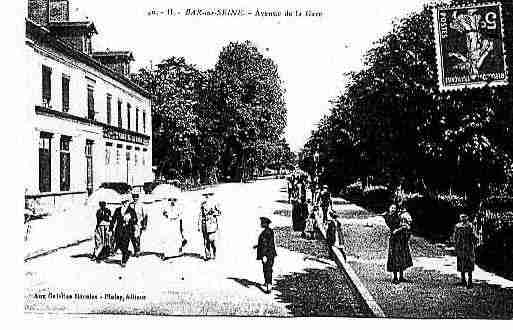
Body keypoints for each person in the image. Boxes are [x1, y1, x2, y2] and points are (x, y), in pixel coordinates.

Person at [384, 204, 413, 283]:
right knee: (394, 256)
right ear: (389, 208)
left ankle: (401, 276)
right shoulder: (388, 217)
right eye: (392, 208)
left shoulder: (397, 216)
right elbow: (393, 229)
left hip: (401, 239)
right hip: (394, 239)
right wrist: (402, 227)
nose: (393, 209)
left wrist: (403, 227)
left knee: (402, 256)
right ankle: (395, 277)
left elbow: (404, 224)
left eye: (394, 208)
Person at [111, 196, 138, 267]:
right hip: (119, 230)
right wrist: (111, 228)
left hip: (127, 230)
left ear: (128, 203)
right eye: (123, 202)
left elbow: (135, 220)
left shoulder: (131, 210)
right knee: (118, 243)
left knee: (125, 244)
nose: (125, 203)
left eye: (126, 202)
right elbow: (113, 219)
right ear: (122, 203)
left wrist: (130, 220)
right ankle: (126, 253)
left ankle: (124, 260)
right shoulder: (117, 210)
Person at [454, 213, 478, 288]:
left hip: (467, 247)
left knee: (467, 262)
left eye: (464, 217)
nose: (463, 218)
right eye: (462, 217)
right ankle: (464, 280)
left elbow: (474, 236)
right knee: (463, 262)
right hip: (463, 247)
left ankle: (469, 280)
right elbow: (455, 236)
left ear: (467, 217)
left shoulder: (469, 226)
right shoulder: (459, 226)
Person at [254, 216, 277, 294]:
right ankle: (267, 282)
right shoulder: (270, 231)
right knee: (267, 269)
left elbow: (265, 245)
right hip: (271, 253)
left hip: (267, 254)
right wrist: (257, 246)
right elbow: (267, 243)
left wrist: (264, 255)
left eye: (262, 223)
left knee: (267, 269)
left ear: (265, 224)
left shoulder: (265, 233)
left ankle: (268, 286)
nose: (261, 224)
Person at [198, 189, 221, 261]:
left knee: (211, 239)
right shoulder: (203, 204)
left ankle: (214, 252)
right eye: (206, 195)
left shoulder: (215, 204)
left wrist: (213, 213)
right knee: (206, 240)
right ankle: (207, 255)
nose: (207, 196)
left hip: (212, 224)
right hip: (204, 224)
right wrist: (199, 225)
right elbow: (200, 215)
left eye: (209, 195)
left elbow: (219, 213)